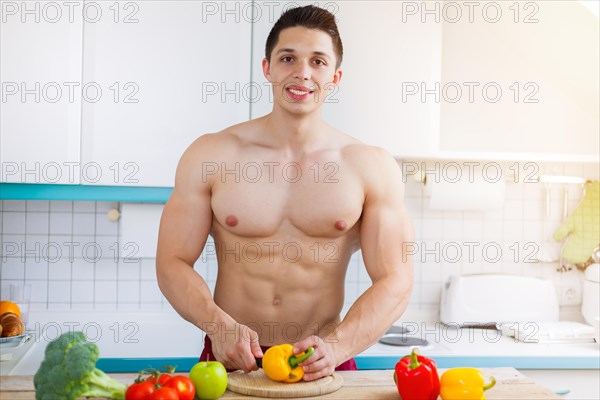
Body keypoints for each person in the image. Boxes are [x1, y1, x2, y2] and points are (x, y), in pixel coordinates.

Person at [156, 5, 414, 381]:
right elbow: (172, 260)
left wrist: (339, 346)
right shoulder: (212, 154)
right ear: (267, 68)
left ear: (336, 76)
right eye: (288, 58)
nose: (302, 73)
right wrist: (217, 325)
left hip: (324, 362)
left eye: (318, 61)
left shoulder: (370, 166)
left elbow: (397, 279)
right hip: (231, 359)